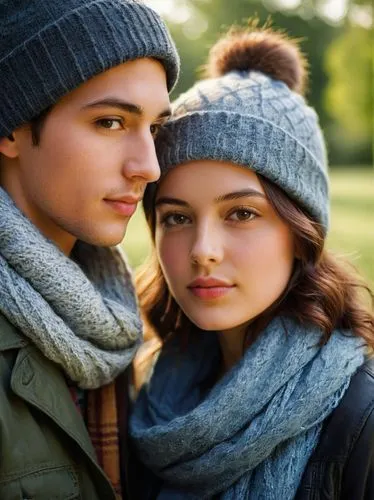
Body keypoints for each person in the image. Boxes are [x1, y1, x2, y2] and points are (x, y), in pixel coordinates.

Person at [129, 24, 374, 499]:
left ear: (301, 233)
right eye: (176, 217)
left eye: (241, 213)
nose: (203, 250)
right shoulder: (150, 400)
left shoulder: (361, 417)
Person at [0, 1, 179, 498]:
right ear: (10, 129)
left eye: (155, 128)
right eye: (110, 122)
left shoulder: (107, 314)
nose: (148, 166)